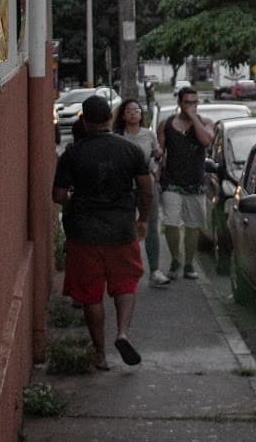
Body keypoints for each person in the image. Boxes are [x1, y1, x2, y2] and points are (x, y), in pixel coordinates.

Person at [52, 93, 152, 369]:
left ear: (84, 121)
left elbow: (59, 195)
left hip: (84, 233)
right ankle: (122, 333)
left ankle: (100, 355)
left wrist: (77, 199)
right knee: (125, 284)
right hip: (121, 228)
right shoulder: (130, 150)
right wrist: (143, 220)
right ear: (110, 118)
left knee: (90, 294)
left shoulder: (73, 153)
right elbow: (146, 190)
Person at [158, 85, 215, 279]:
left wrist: (194, 119)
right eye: (187, 102)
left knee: (193, 225)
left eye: (194, 102)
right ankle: (175, 258)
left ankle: (189, 264)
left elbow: (206, 141)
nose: (191, 106)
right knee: (171, 222)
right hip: (172, 181)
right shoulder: (166, 124)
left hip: (195, 182)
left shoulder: (205, 122)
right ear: (179, 103)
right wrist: (157, 174)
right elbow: (160, 152)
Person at [113, 99, 170, 286]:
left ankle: (155, 270)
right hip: (125, 186)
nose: (133, 114)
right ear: (122, 115)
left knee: (151, 225)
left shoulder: (148, 135)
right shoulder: (118, 137)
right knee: (127, 227)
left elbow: (157, 155)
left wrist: (158, 158)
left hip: (147, 184)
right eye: (129, 111)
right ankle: (126, 268)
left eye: (136, 110)